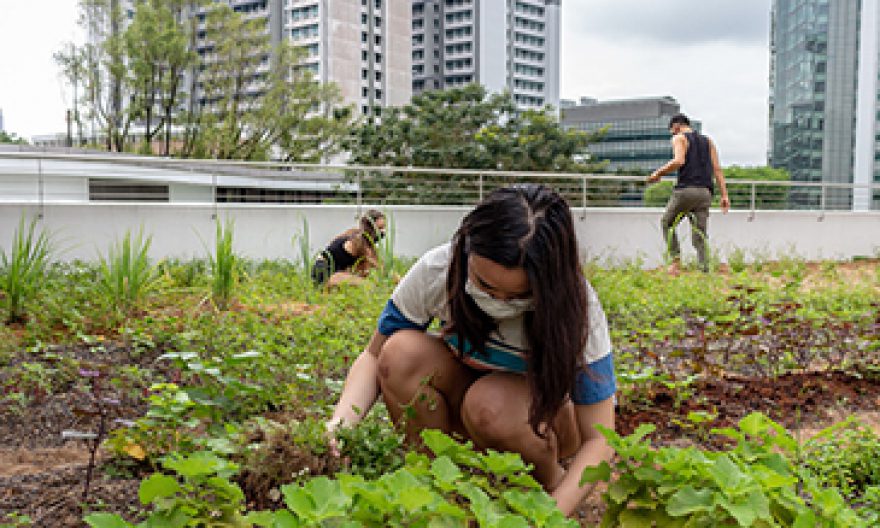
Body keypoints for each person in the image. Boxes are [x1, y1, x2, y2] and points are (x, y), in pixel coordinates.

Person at [326, 185, 616, 516]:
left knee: (489, 402)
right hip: (469, 400)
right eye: (485, 285)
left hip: (540, 420)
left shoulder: (577, 308)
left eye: (519, 296)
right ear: (466, 249)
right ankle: (437, 484)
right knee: (401, 353)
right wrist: (341, 424)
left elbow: (600, 438)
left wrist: (549, 515)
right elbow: (375, 355)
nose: (499, 303)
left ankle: (548, 481)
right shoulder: (439, 270)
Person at [647, 113, 730, 273]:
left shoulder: (679, 138)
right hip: (705, 192)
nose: (673, 134)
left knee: (667, 223)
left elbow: (679, 161)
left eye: (672, 131)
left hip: (686, 190)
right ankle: (704, 268)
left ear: (676, 126)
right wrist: (724, 195)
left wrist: (657, 174)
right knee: (700, 232)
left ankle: (675, 262)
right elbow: (717, 169)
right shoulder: (708, 141)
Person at [311, 210, 386, 287]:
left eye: (384, 228)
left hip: (336, 272)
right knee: (367, 284)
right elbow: (379, 267)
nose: (383, 231)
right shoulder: (358, 242)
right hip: (324, 273)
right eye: (380, 228)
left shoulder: (356, 235)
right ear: (370, 228)